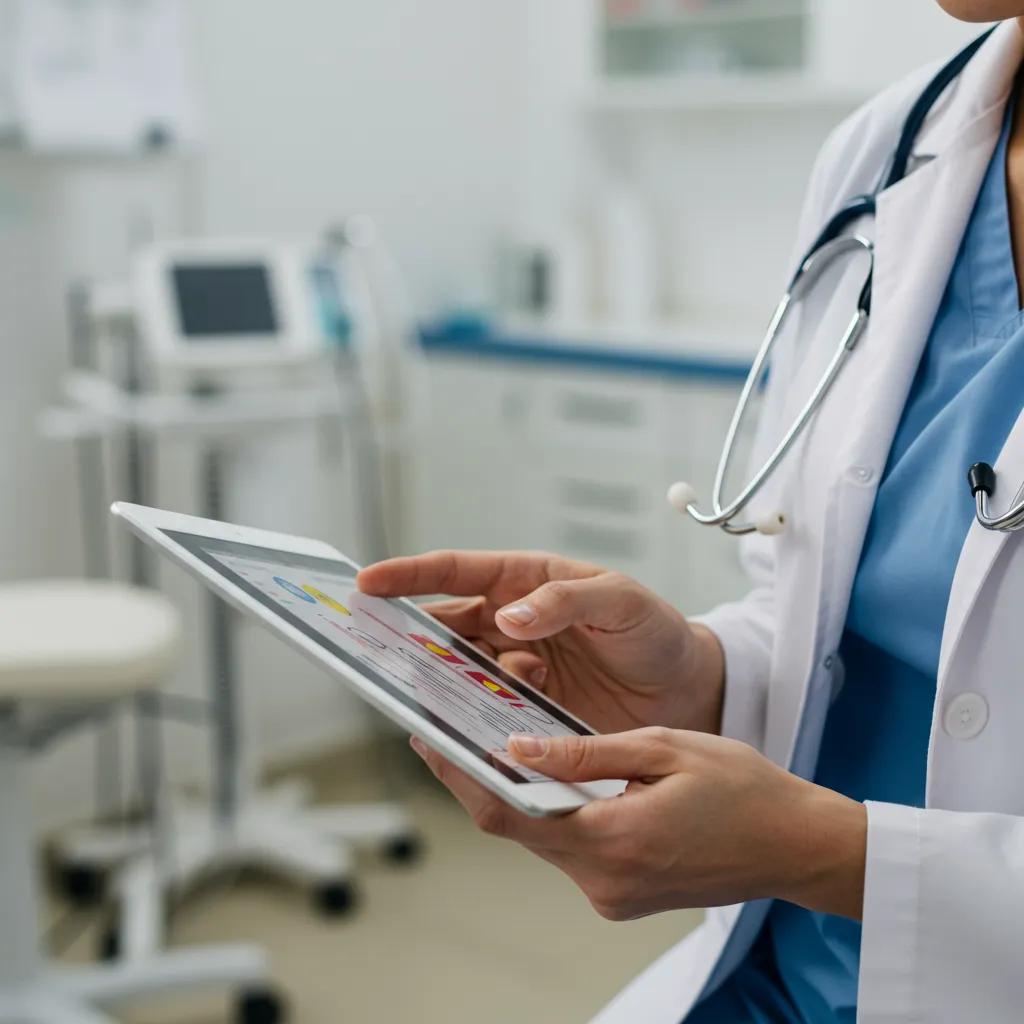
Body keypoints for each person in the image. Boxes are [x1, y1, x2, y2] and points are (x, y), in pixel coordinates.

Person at [358, 5, 1024, 1022]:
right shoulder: (890, 146)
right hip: (785, 975)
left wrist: (822, 851)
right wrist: (696, 678)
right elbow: (817, 616)